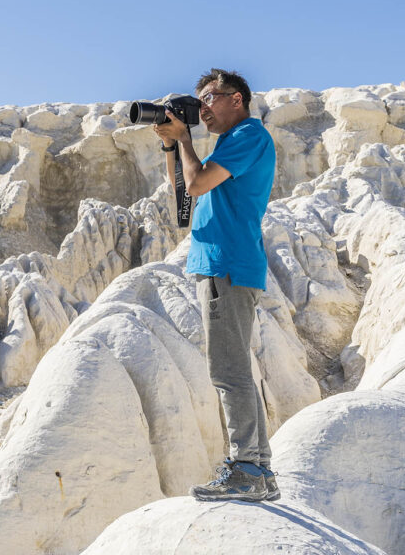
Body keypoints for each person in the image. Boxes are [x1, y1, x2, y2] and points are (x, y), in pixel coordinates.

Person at [152, 69, 278, 502]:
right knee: (235, 369)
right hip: (225, 265)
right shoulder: (231, 143)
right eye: (198, 101)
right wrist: (172, 143)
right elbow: (185, 192)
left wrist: (185, 139)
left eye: (209, 98)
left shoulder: (248, 135)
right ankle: (260, 469)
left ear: (237, 99)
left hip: (227, 265)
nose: (202, 108)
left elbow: (199, 181)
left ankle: (245, 468)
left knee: (227, 371)